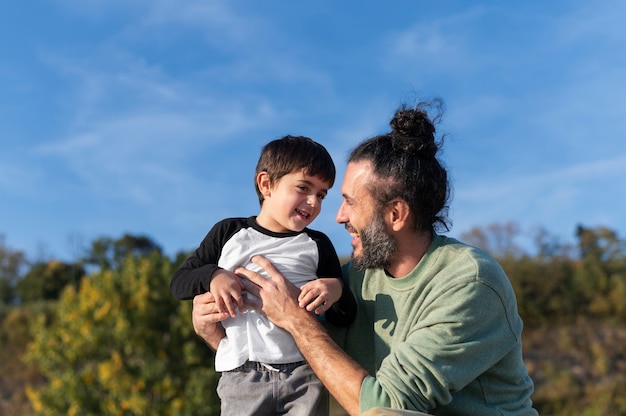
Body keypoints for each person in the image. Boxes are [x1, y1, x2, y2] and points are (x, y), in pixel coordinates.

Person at [191, 101, 538, 415]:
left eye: (349, 202)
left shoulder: (469, 282)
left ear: (396, 215)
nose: (338, 216)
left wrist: (295, 318)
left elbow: (387, 406)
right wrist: (215, 334)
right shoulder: (352, 281)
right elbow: (303, 353)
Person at [171, 135, 356, 416]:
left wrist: (336, 289)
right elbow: (179, 283)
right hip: (243, 375)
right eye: (303, 188)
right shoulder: (229, 233)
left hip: (306, 375)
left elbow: (344, 316)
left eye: (321, 194)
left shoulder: (317, 245)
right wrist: (213, 275)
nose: (313, 202)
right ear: (266, 184)